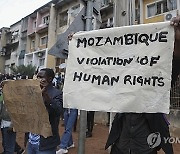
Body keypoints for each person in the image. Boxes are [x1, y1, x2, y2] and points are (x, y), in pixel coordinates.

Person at [105, 17, 180, 154]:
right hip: (120, 147)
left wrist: (178, 41)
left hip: (145, 149)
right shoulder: (122, 83)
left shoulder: (156, 84)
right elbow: (97, 71)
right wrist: (77, 45)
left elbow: (173, 67)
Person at [26, 68, 63, 154]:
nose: (39, 79)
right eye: (37, 77)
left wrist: (45, 96)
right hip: (31, 141)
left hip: (46, 143)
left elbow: (57, 111)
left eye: (41, 77)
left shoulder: (57, 93)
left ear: (49, 79)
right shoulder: (33, 92)